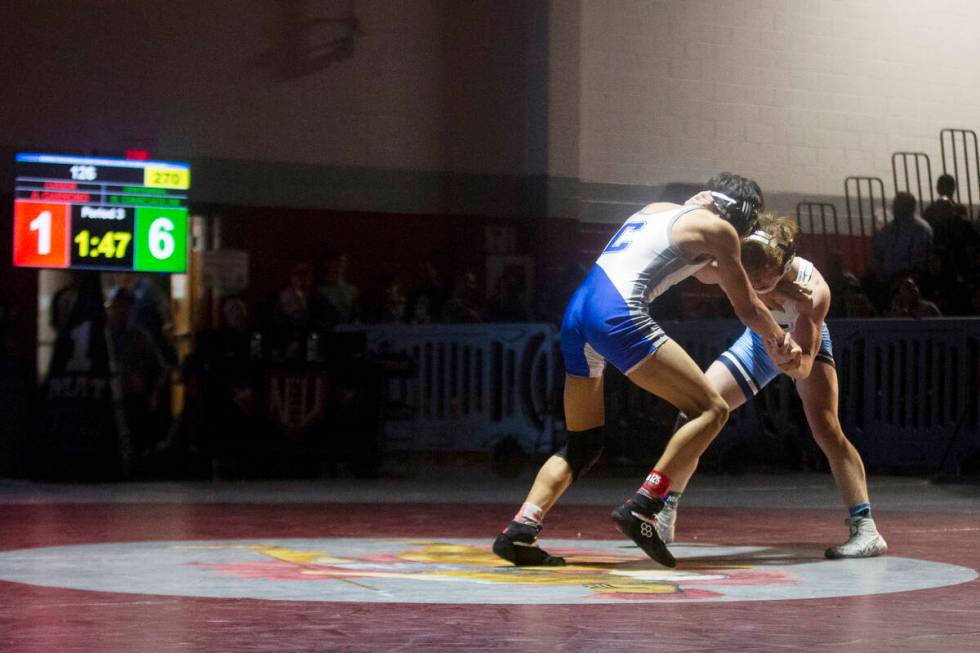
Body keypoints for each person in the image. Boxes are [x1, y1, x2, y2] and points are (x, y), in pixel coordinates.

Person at [492, 172, 802, 568]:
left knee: (583, 444)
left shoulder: (657, 210)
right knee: (712, 409)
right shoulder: (720, 231)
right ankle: (644, 505)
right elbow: (746, 307)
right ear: (739, 217)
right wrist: (779, 338)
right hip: (616, 315)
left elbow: (704, 271)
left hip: (578, 314)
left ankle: (521, 528)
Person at [656, 213, 888, 559]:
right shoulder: (738, 264)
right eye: (751, 281)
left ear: (784, 265)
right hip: (759, 340)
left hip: (799, 342)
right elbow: (698, 267)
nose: (756, 287)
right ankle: (665, 510)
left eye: (764, 282)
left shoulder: (812, 292)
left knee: (826, 428)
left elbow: (804, 367)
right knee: (696, 411)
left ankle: (866, 528)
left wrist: (788, 359)